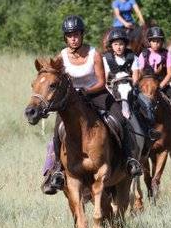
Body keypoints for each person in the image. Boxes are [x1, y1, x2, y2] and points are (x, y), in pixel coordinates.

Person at [41, 16, 143, 195]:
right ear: (66, 38)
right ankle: (56, 170)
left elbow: (101, 82)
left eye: (77, 34)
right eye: (70, 35)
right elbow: (54, 79)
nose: (74, 38)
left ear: (82, 35)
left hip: (96, 94)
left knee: (120, 119)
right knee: (57, 131)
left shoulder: (94, 54)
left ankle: (129, 160)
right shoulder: (61, 57)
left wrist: (85, 92)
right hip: (71, 101)